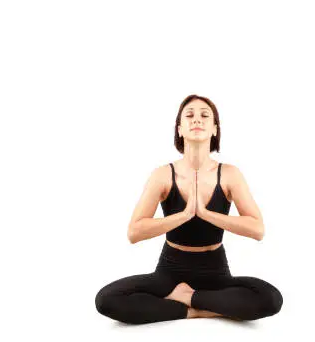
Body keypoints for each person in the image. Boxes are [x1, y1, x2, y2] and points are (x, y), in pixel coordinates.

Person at [94, 94, 283, 324]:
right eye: (189, 115)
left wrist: (206, 213)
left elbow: (257, 229)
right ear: (180, 129)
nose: (197, 120)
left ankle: (189, 299)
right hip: (169, 273)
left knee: (271, 299)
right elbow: (134, 232)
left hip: (216, 272)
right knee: (107, 299)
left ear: (215, 129)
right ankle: (201, 309)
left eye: (205, 115)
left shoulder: (230, 174)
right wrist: (184, 215)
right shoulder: (162, 175)